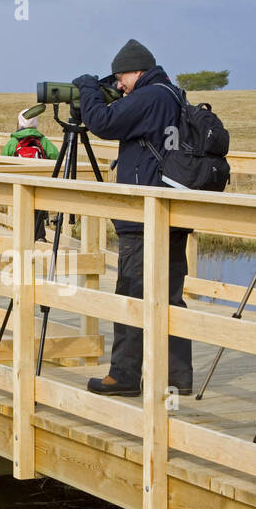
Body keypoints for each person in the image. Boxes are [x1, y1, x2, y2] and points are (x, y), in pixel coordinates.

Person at [74, 39, 192, 397]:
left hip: (144, 218)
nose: (120, 84)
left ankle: (124, 376)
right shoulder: (171, 93)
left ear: (136, 70)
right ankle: (177, 377)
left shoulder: (151, 95)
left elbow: (102, 122)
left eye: (121, 77)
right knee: (170, 294)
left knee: (132, 291)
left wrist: (88, 90)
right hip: (170, 208)